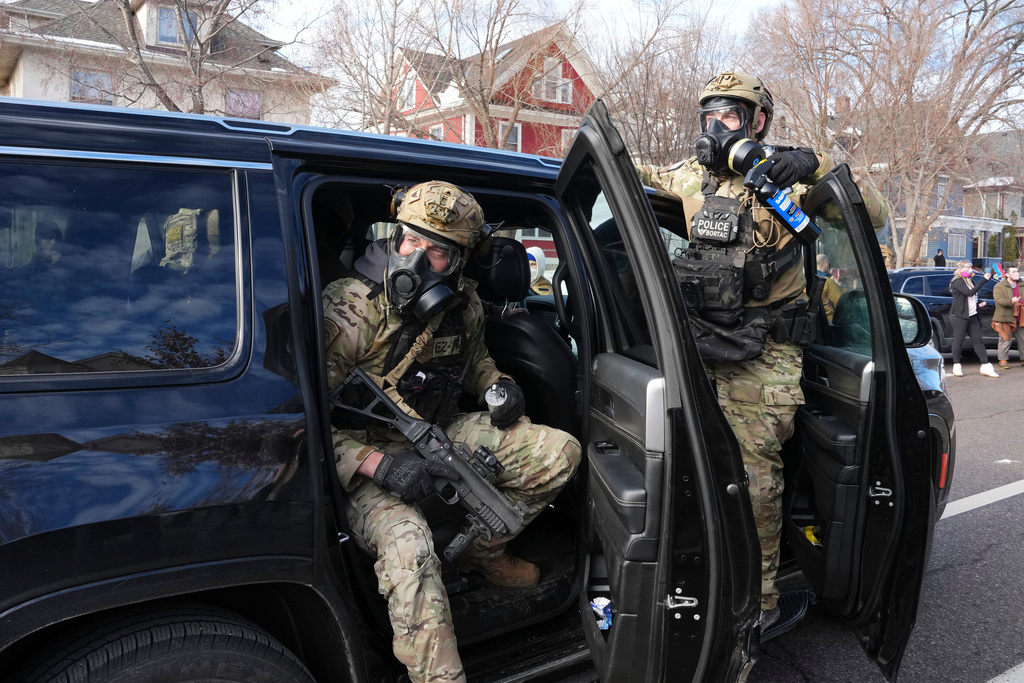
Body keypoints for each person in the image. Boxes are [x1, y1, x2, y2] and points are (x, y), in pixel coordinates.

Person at [637, 71, 890, 630]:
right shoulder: (688, 179)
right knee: (688, 471)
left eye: (729, 115)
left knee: (754, 481)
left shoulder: (787, 183)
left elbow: (872, 216)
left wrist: (815, 163)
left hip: (766, 355)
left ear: (757, 122)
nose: (715, 126)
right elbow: (624, 178)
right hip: (700, 348)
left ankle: (759, 605)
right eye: (709, 115)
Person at [322, 180, 581, 683]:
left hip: (437, 430)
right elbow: (298, 420)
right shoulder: (350, 308)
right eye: (411, 241)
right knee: (409, 544)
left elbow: (477, 360)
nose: (417, 259)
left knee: (559, 452)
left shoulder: (464, 303)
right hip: (360, 452)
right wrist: (382, 466)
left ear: (461, 259)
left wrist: (498, 388)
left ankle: (483, 551)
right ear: (396, 236)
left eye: (437, 251)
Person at [949, 259, 998, 378]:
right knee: (959, 340)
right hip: (959, 315)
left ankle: (986, 366)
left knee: (978, 340)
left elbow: (972, 297)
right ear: (959, 268)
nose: (969, 269)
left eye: (970, 266)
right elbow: (969, 293)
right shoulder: (958, 282)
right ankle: (956, 365)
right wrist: (983, 281)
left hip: (972, 315)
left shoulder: (970, 281)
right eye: (966, 267)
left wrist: (979, 302)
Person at [992, 263, 1024, 369]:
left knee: (1022, 339)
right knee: (1005, 339)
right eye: (1013, 272)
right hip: (1005, 316)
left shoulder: (1022, 284)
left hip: (1021, 316)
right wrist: (1010, 301)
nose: (1016, 273)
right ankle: (1003, 359)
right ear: (1007, 274)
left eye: (1017, 271)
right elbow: (999, 300)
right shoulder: (999, 286)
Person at [816, 253, 842, 322]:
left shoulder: (807, 277)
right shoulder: (828, 282)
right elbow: (841, 302)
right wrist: (838, 286)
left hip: (816, 320)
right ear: (826, 264)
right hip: (828, 321)